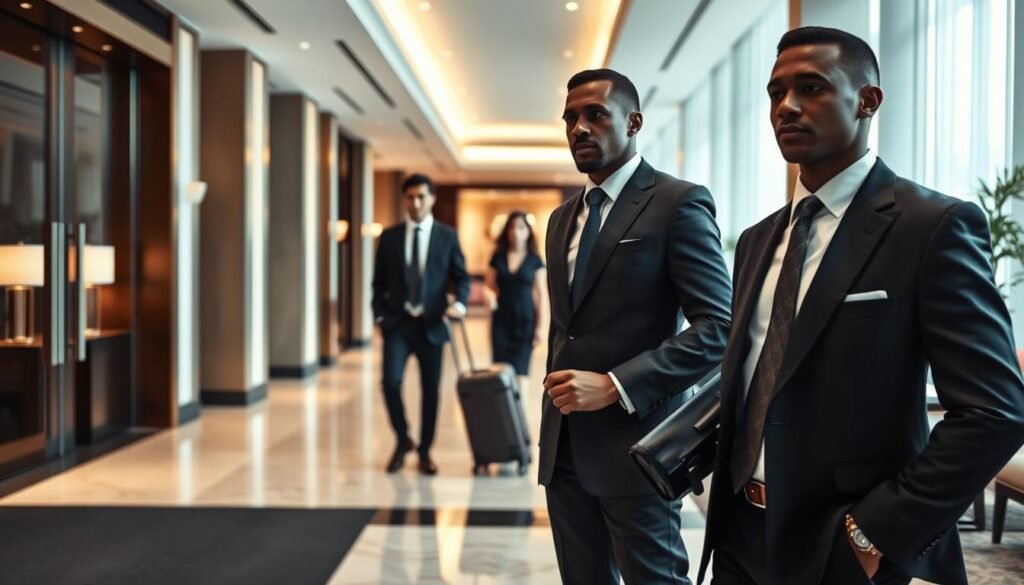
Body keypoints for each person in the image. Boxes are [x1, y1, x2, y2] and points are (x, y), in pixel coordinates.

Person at [697, 26, 1024, 585]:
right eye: (776, 92)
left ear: (868, 100)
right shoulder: (757, 239)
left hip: (842, 544)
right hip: (736, 534)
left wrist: (873, 533)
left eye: (812, 87)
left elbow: (995, 412)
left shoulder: (932, 227)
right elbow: (762, 373)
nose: (787, 107)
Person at [540, 68, 733, 585]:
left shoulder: (678, 203)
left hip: (638, 445)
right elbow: (569, 331)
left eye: (595, 114)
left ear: (633, 122)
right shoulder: (561, 220)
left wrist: (615, 385)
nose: (579, 127)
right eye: (570, 118)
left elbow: (719, 328)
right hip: (563, 451)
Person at [371, 173, 470, 476]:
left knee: (430, 392)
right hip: (399, 324)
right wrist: (379, 317)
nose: (415, 203)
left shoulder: (447, 236)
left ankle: (425, 451)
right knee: (390, 383)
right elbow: (378, 284)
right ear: (404, 199)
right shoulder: (389, 237)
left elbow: (462, 277)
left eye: (421, 197)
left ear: (432, 199)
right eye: (410, 197)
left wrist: (459, 304)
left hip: (432, 324)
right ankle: (403, 440)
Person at [484, 211, 549, 389]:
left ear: (528, 232)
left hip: (526, 321)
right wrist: (489, 296)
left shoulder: (535, 260)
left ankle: (518, 416)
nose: (515, 231)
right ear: (506, 231)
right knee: (499, 371)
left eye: (521, 227)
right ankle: (500, 414)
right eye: (511, 227)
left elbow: (541, 294)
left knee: (521, 374)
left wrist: (541, 327)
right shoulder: (497, 258)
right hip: (501, 321)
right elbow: (489, 286)